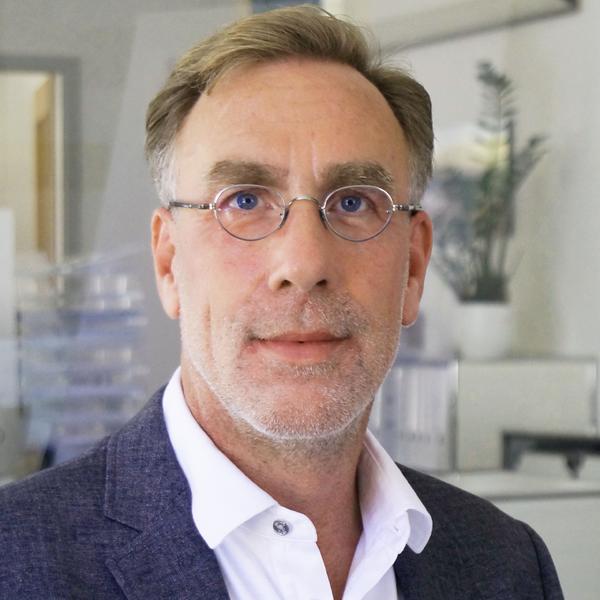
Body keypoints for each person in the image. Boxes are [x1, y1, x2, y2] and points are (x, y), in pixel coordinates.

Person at [0, 5, 563, 599]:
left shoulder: (506, 565)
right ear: (169, 263)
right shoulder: (15, 561)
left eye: (353, 203)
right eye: (243, 201)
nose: (304, 264)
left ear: (414, 266)